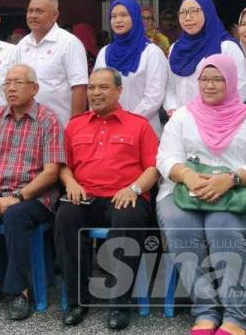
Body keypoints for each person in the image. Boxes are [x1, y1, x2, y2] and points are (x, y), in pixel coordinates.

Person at [156, 54, 246, 335]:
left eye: (217, 79)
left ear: (232, 81)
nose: (209, 86)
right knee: (180, 227)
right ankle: (206, 311)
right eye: (204, 79)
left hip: (242, 194)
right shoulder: (183, 116)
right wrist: (187, 176)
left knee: (221, 226)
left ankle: (238, 316)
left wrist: (231, 178)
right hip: (185, 191)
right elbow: (165, 158)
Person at [55, 67, 159, 330]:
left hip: (124, 196)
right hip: (86, 195)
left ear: (119, 91)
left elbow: (154, 168)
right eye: (91, 87)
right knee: (66, 216)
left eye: (103, 87)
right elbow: (63, 165)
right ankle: (77, 300)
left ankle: (119, 302)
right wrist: (71, 182)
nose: (95, 93)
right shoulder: (75, 125)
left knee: (128, 218)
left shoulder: (139, 125)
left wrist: (134, 189)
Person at [0, 64, 64, 321]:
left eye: (18, 82)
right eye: (7, 83)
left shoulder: (48, 120)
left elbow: (51, 172)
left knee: (15, 216)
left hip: (34, 196)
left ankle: (20, 290)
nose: (11, 88)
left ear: (34, 88)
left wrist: (18, 197)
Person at [164, 0, 246, 116]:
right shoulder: (175, 48)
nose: (187, 18)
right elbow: (170, 86)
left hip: (216, 121)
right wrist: (172, 109)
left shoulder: (226, 47)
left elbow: (243, 87)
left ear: (207, 12)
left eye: (194, 11)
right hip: (182, 122)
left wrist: (216, 114)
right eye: (183, 12)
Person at [94, 0, 168, 136]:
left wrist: (126, 122)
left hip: (143, 131)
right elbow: (96, 90)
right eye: (113, 16)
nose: (118, 20)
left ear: (135, 17)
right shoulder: (104, 53)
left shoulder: (152, 53)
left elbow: (154, 97)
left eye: (124, 15)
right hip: (108, 131)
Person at [16, 0, 88, 126]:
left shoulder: (69, 43)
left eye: (39, 11)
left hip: (60, 126)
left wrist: (75, 128)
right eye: (30, 11)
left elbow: (79, 87)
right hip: (26, 128)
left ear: (55, 15)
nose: (33, 16)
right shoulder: (22, 45)